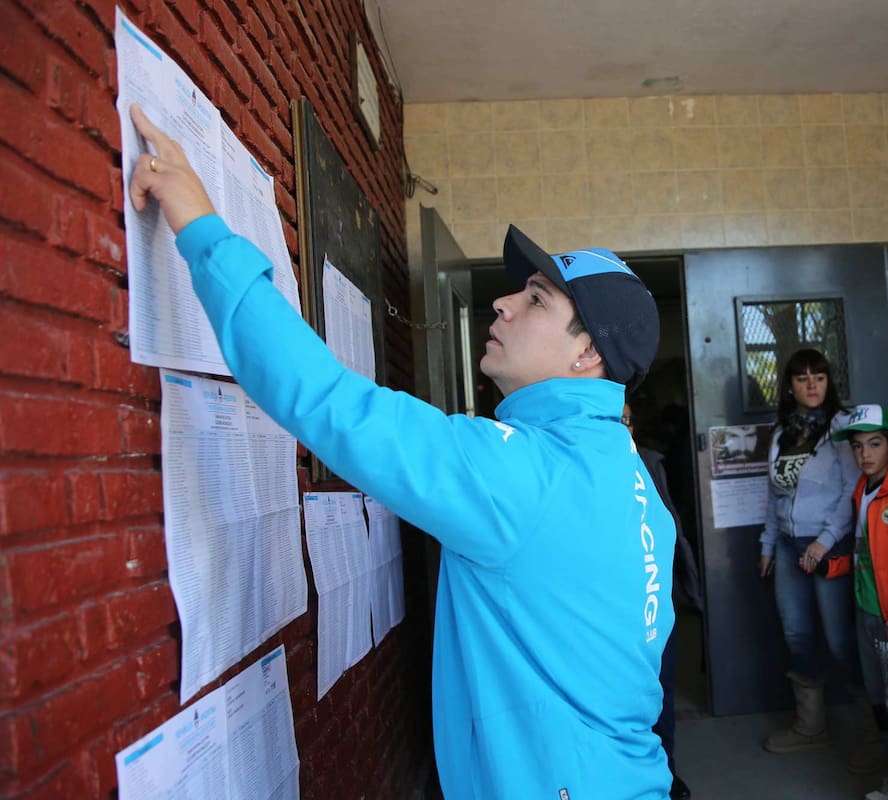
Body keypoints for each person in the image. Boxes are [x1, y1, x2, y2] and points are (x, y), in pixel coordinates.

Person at [128, 105, 677, 799]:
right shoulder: (635, 488)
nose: (503, 304)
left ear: (588, 352)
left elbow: (325, 401)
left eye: (537, 299)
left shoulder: (519, 473)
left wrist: (201, 226)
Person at [758, 348, 860, 752]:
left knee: (839, 640)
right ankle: (810, 727)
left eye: (819, 375)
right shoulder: (782, 431)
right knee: (796, 635)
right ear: (790, 386)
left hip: (828, 546)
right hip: (786, 545)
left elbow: (852, 491)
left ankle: (875, 735)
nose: (812, 384)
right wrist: (767, 544)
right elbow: (774, 495)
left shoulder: (842, 428)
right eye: (802, 378)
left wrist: (823, 541)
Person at [834, 405, 888, 800]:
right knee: (878, 701)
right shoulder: (862, 489)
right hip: (865, 610)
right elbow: (863, 550)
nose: (865, 454)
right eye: (857, 446)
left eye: (874, 444)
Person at [624, 403, 703, 800]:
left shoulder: (648, 464)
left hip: (655, 599)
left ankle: (666, 773)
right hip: (610, 609)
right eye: (612, 419)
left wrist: (686, 588)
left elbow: (672, 526)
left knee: (661, 690)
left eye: (627, 419)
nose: (621, 428)